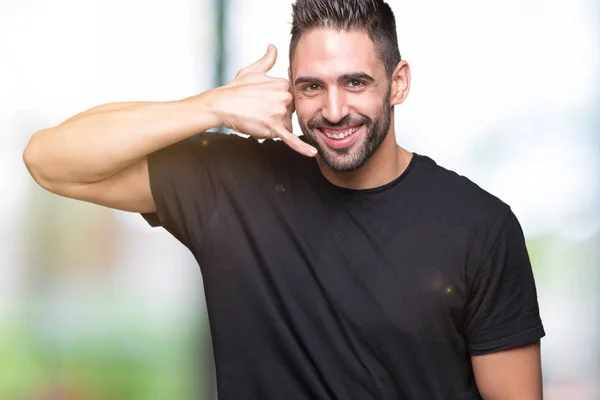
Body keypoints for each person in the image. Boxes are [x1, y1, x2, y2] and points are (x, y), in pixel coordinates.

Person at [22, 0, 545, 398]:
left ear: (398, 83)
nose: (335, 109)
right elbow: (50, 158)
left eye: (356, 82)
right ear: (289, 91)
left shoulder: (482, 225)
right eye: (312, 87)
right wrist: (213, 107)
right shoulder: (232, 184)